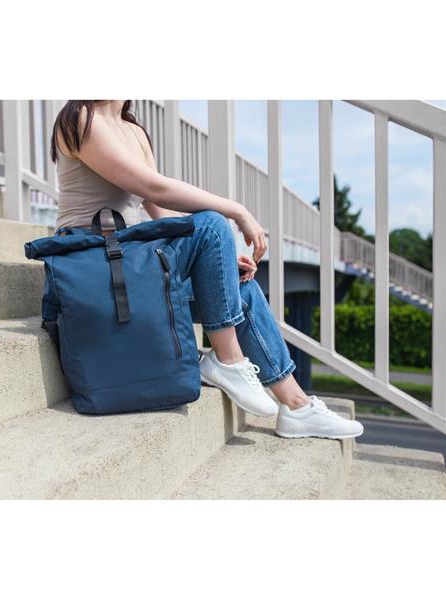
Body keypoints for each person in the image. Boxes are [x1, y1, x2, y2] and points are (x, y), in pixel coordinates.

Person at [49, 100, 363, 440]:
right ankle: (228, 360)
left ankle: (297, 406)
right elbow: (154, 189)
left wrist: (219, 258)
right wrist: (236, 210)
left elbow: (161, 214)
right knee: (212, 222)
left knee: (239, 285)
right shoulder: (81, 118)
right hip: (92, 267)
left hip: (128, 264)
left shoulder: (134, 131)